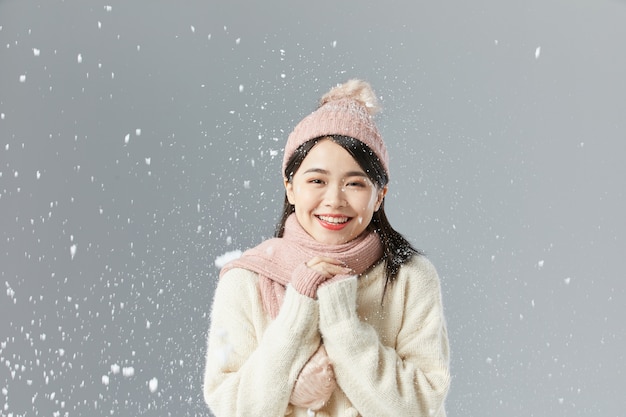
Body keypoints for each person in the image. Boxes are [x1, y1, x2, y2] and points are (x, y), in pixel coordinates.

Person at [203, 79, 450, 417]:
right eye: (316, 181)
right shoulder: (245, 279)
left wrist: (342, 323)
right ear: (290, 188)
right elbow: (232, 408)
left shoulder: (411, 278)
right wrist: (297, 320)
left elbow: (421, 408)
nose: (334, 200)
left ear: (380, 195)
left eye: (355, 183)